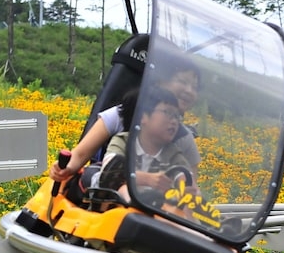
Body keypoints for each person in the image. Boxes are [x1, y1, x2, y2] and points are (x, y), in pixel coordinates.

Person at [49, 52, 202, 191]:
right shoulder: (120, 115)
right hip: (105, 196)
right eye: (183, 81)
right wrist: (64, 169)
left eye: (195, 87)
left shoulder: (184, 138)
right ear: (160, 81)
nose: (189, 91)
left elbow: (190, 188)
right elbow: (80, 155)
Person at [95, 87, 194, 200]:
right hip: (111, 207)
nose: (174, 121)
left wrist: (185, 186)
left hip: (153, 208)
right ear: (143, 117)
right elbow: (109, 172)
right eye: (168, 113)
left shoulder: (173, 153)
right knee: (124, 189)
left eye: (177, 116)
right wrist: (147, 179)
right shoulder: (123, 141)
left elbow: (186, 179)